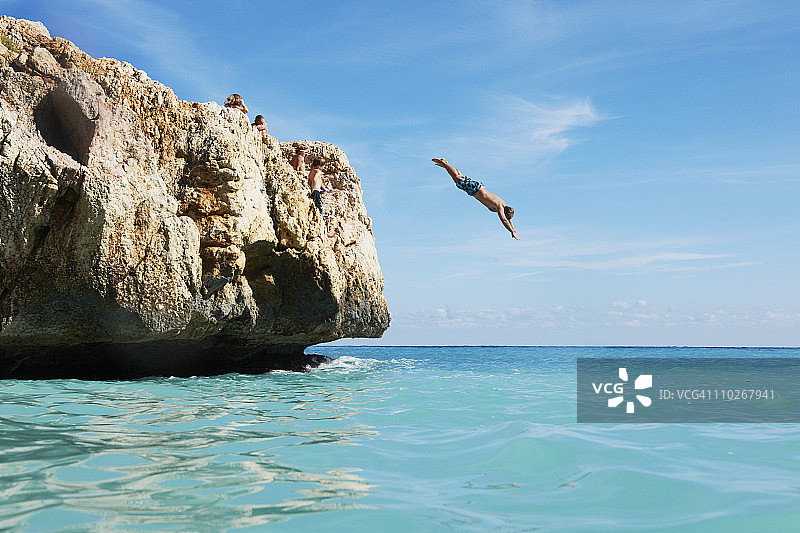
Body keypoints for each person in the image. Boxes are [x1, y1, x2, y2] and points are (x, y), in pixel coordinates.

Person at [432, 157, 519, 240]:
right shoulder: (499, 207)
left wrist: (514, 231)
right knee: (457, 179)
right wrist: (511, 231)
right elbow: (504, 220)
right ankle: (445, 163)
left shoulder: (502, 203)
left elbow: (508, 220)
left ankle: (446, 165)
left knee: (460, 176)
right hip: (475, 190)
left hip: (479, 187)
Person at [307, 159, 336, 238]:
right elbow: (315, 179)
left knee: (316, 212)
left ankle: (323, 230)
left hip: (314, 192)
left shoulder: (312, 171)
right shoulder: (318, 172)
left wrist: (326, 190)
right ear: (320, 166)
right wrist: (314, 189)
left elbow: (317, 182)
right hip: (316, 192)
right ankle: (325, 232)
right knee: (320, 213)